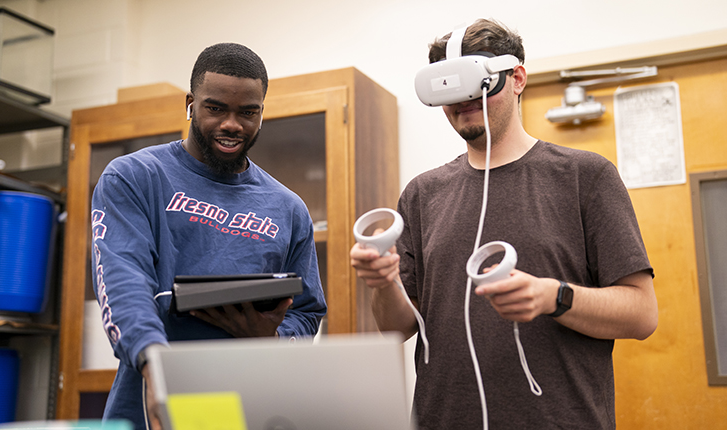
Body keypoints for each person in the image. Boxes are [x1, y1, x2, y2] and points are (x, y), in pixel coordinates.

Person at [350, 19, 658, 429]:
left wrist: (554, 297)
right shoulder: (422, 194)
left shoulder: (585, 176)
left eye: (476, 84)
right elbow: (396, 328)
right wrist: (383, 281)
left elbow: (642, 314)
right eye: (450, 89)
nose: (463, 100)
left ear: (516, 79)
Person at [91, 43, 327, 429]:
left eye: (247, 112)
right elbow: (122, 281)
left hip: (251, 407)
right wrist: (155, 365)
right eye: (215, 108)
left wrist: (271, 340)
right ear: (190, 103)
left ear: (262, 113)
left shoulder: (288, 208)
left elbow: (307, 312)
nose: (232, 124)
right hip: (153, 402)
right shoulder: (135, 177)